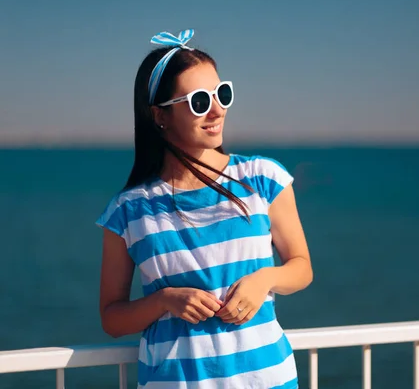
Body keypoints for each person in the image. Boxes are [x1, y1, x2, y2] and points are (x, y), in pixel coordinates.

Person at [96, 29, 313, 389]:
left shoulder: (262, 178)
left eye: (221, 94)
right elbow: (112, 318)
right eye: (199, 101)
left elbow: (302, 268)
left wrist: (265, 279)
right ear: (159, 116)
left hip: (268, 379)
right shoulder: (128, 211)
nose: (217, 110)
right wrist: (164, 301)